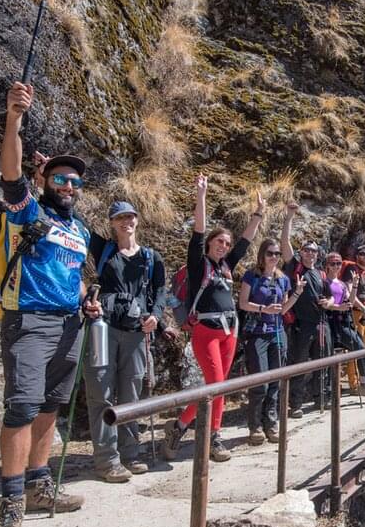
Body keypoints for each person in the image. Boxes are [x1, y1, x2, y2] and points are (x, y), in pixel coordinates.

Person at [0, 82, 95, 527]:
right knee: (22, 408)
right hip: (28, 321)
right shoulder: (27, 211)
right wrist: (14, 118)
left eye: (75, 182)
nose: (68, 186)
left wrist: (87, 299)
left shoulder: (80, 231)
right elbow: (11, 173)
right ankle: (10, 503)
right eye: (60, 178)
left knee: (50, 406)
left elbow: (74, 274)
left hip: (70, 325)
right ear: (45, 181)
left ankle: (39, 483)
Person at [161, 175, 265, 462]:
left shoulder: (226, 267)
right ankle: (212, 437)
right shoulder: (199, 264)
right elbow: (198, 231)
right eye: (219, 241)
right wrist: (201, 195)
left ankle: (180, 426)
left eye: (226, 243)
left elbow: (245, 242)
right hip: (206, 331)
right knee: (216, 385)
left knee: (219, 387)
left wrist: (258, 214)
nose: (224, 246)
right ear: (209, 243)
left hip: (229, 331)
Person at [82, 200, 166, 483]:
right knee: (101, 392)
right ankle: (107, 460)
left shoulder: (151, 257)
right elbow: (76, 221)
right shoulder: (104, 249)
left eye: (130, 217)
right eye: (120, 218)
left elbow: (160, 290)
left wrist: (156, 316)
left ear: (137, 220)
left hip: (136, 331)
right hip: (102, 328)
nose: (126, 222)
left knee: (132, 393)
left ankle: (131, 453)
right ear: (112, 223)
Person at [238, 238, 303, 444]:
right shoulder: (251, 276)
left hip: (277, 332)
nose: (274, 257)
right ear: (262, 255)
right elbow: (242, 303)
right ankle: (255, 426)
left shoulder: (283, 279)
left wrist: (297, 294)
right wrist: (262, 309)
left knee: (275, 381)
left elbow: (283, 310)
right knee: (260, 382)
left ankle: (271, 423)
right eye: (270, 253)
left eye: (277, 254)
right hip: (257, 333)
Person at [281, 204, 335, 418]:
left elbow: (331, 296)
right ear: (301, 252)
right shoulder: (296, 267)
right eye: (307, 250)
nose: (310, 253)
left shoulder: (321, 274)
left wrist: (329, 303)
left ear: (318, 254)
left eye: (314, 250)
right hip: (302, 325)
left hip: (322, 323)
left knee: (324, 362)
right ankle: (295, 404)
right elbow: (285, 244)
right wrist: (289, 218)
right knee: (299, 364)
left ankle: (322, 398)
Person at [325, 252, 365, 395]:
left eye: (338, 263)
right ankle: (330, 390)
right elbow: (324, 304)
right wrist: (339, 307)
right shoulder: (324, 283)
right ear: (327, 265)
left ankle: (364, 383)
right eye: (332, 263)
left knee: (361, 348)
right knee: (333, 357)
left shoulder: (342, 284)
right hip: (331, 323)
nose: (336, 266)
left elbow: (350, 301)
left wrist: (355, 285)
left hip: (345, 322)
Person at [343, 245, 365, 391]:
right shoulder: (351, 269)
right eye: (363, 254)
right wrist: (364, 309)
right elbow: (349, 291)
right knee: (356, 347)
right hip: (356, 312)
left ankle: (363, 381)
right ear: (357, 256)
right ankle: (354, 383)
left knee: (364, 347)